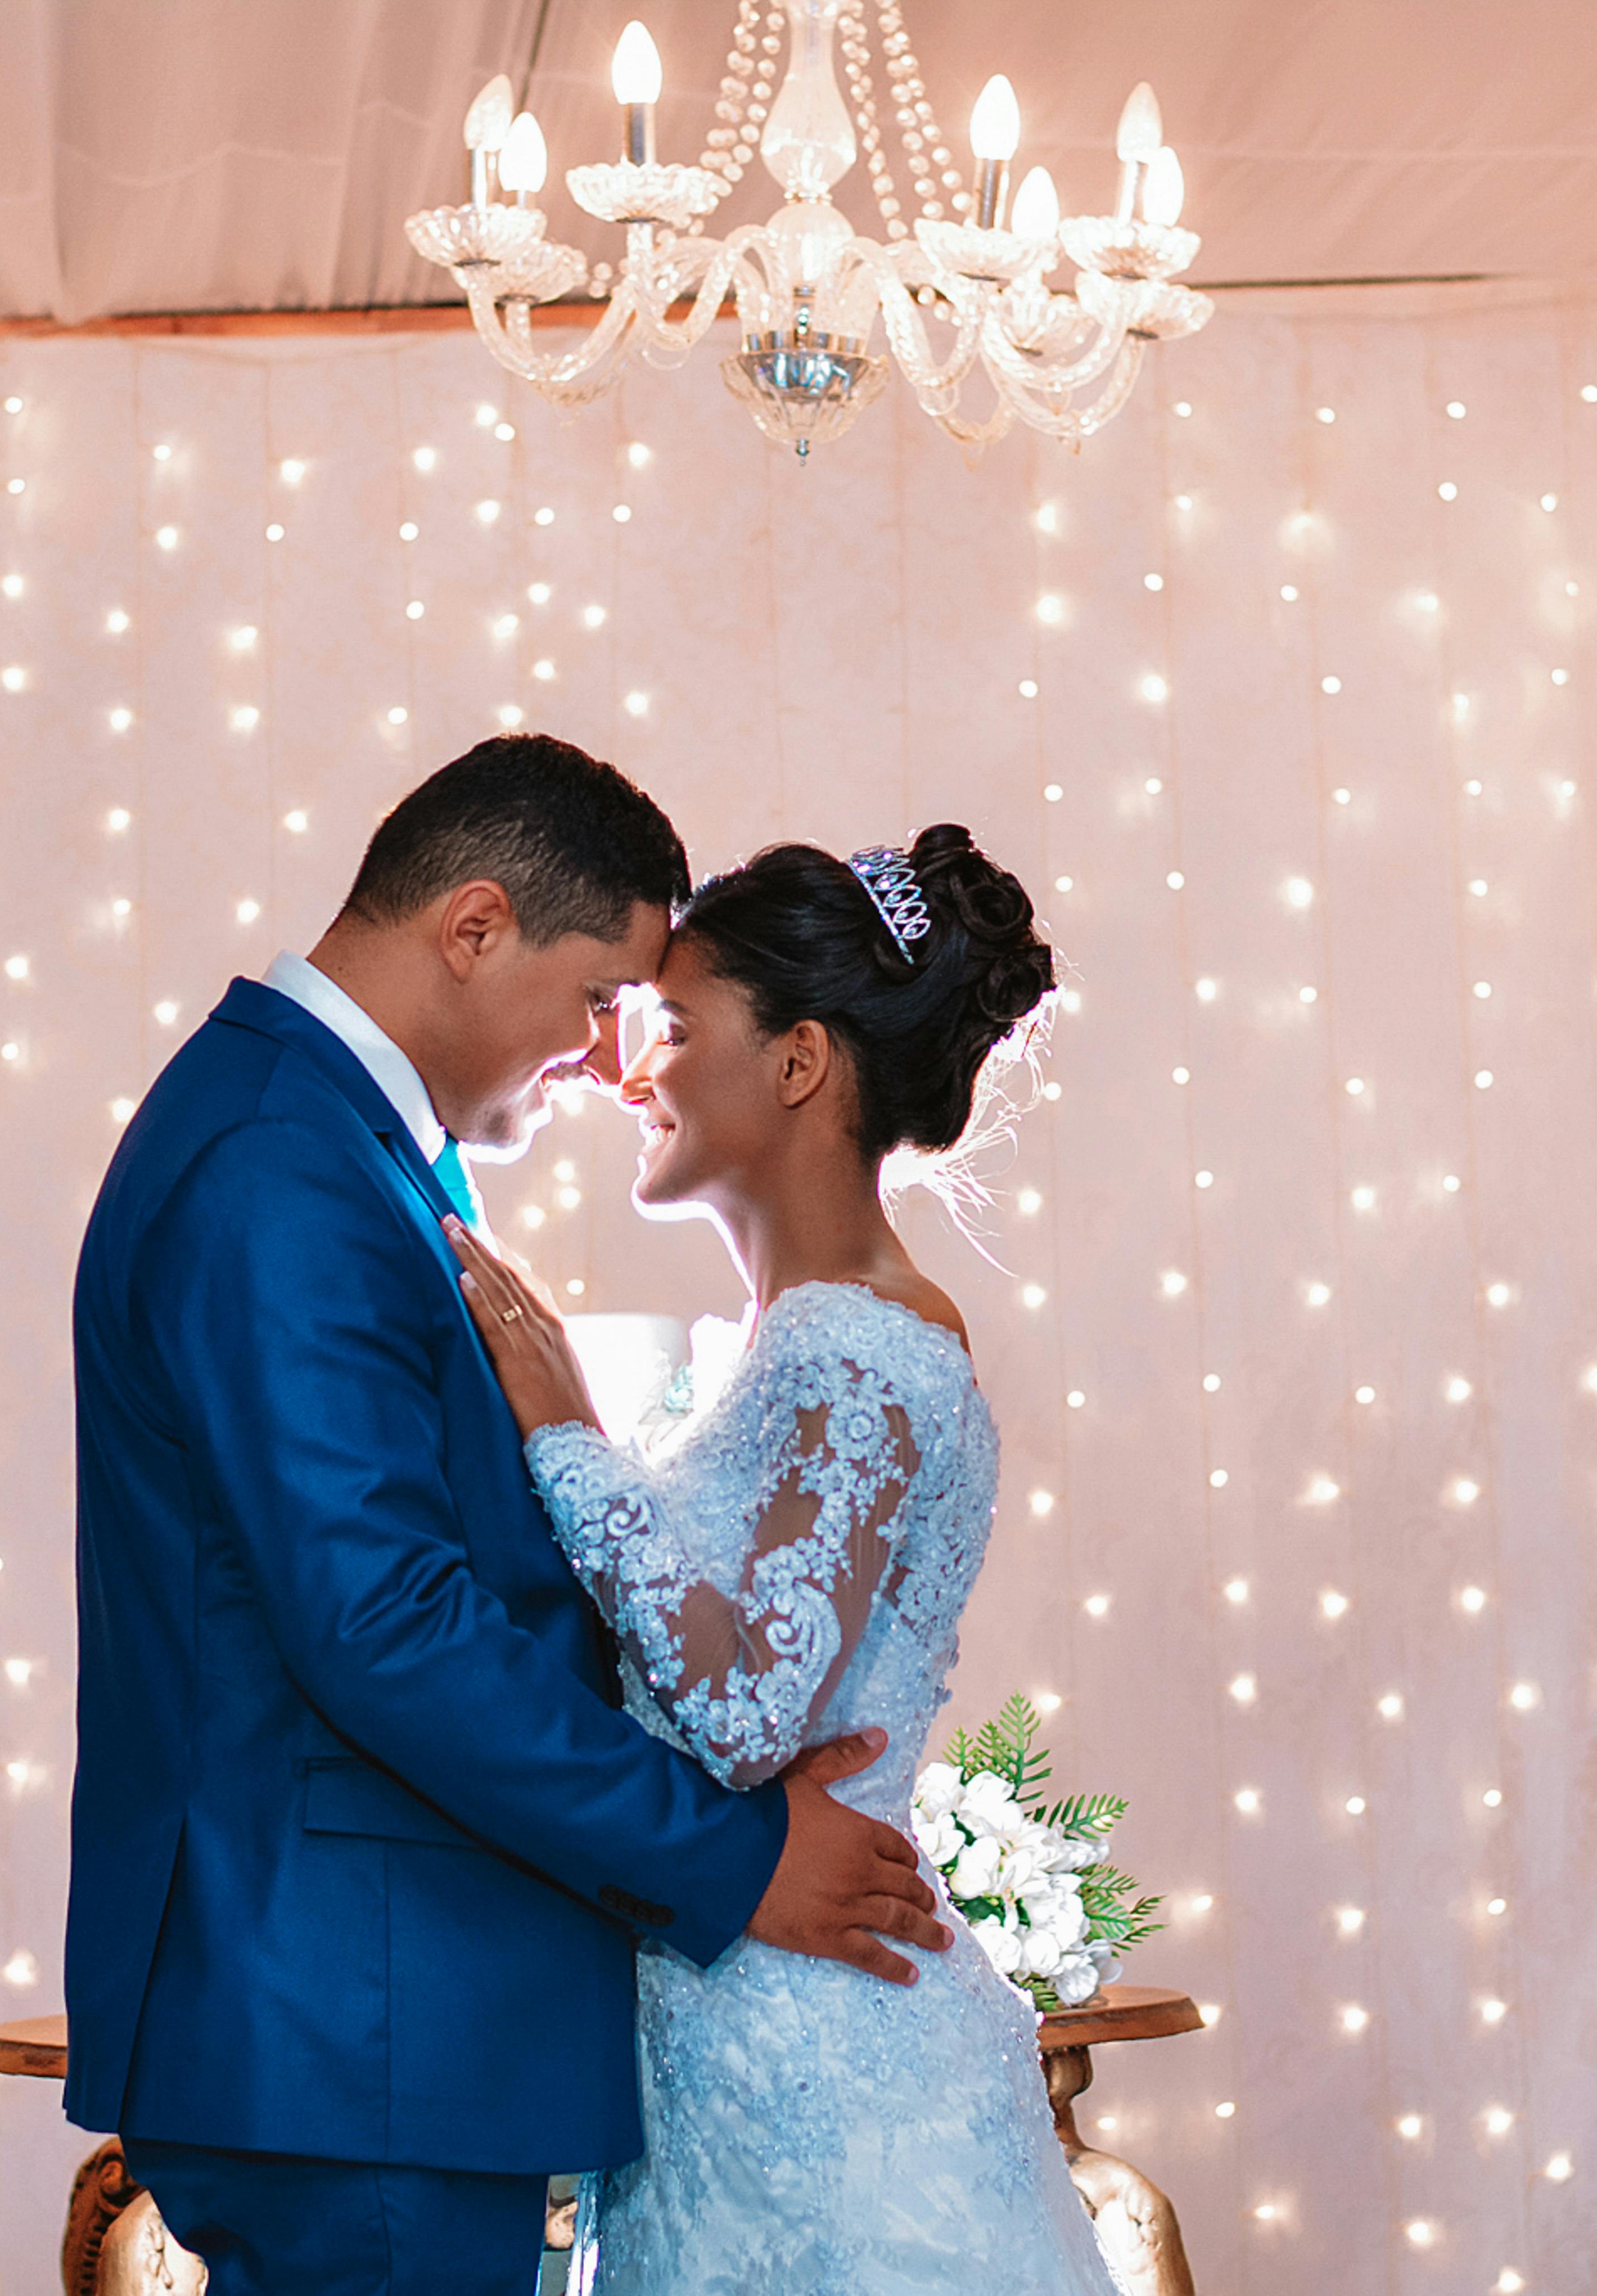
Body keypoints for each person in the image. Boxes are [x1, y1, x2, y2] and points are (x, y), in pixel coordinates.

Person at [61, 735, 951, 2296]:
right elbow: (384, 1622)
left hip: (387, 2017)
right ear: (473, 927)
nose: (609, 1055)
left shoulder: (344, 1144)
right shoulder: (286, 1161)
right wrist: (733, 1852)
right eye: (600, 995)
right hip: (359, 2016)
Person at [445, 827, 1118, 2292]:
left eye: (674, 1027)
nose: (633, 1071)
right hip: (743, 2033)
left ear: (801, 1062)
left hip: (825, 2067)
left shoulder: (859, 1354)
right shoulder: (800, 1343)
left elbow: (750, 1716)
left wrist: (564, 1432)